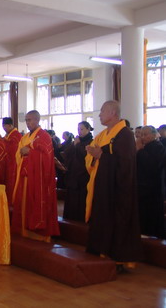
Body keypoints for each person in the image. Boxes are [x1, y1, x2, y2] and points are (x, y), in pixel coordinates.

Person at [85, 101, 142, 272]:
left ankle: (117, 259)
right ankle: (101, 252)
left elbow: (125, 163)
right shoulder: (103, 134)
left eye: (102, 111)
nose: (100, 114)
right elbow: (92, 158)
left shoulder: (124, 135)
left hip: (119, 189)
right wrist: (95, 156)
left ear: (112, 113)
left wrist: (101, 155)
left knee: (118, 220)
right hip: (103, 186)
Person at [11, 110, 59, 242]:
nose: (28, 123)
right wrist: (24, 152)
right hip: (25, 177)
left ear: (37, 120)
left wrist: (30, 153)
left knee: (36, 204)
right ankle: (24, 233)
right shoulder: (25, 137)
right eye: (26, 120)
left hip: (39, 180)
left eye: (30, 120)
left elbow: (47, 157)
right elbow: (18, 154)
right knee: (23, 205)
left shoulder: (44, 136)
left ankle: (38, 236)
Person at [136, 126, 166, 239]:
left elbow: (152, 167)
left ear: (154, 135)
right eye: (141, 134)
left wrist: (140, 150)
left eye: (145, 134)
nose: (142, 137)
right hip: (141, 189)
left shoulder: (159, 148)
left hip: (153, 191)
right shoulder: (144, 147)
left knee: (152, 218)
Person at [63, 121, 94, 222]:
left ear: (88, 129)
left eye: (82, 129)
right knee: (71, 200)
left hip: (83, 177)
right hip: (73, 176)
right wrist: (74, 145)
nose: (79, 131)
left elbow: (87, 156)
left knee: (81, 202)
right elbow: (66, 153)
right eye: (78, 129)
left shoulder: (91, 142)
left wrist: (78, 145)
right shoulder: (76, 141)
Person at [2, 117, 22, 206]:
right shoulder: (8, 135)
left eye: (5, 126)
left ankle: (12, 203)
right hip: (6, 163)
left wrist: (4, 141)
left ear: (10, 125)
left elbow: (14, 150)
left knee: (11, 183)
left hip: (13, 163)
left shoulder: (16, 135)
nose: (3, 128)